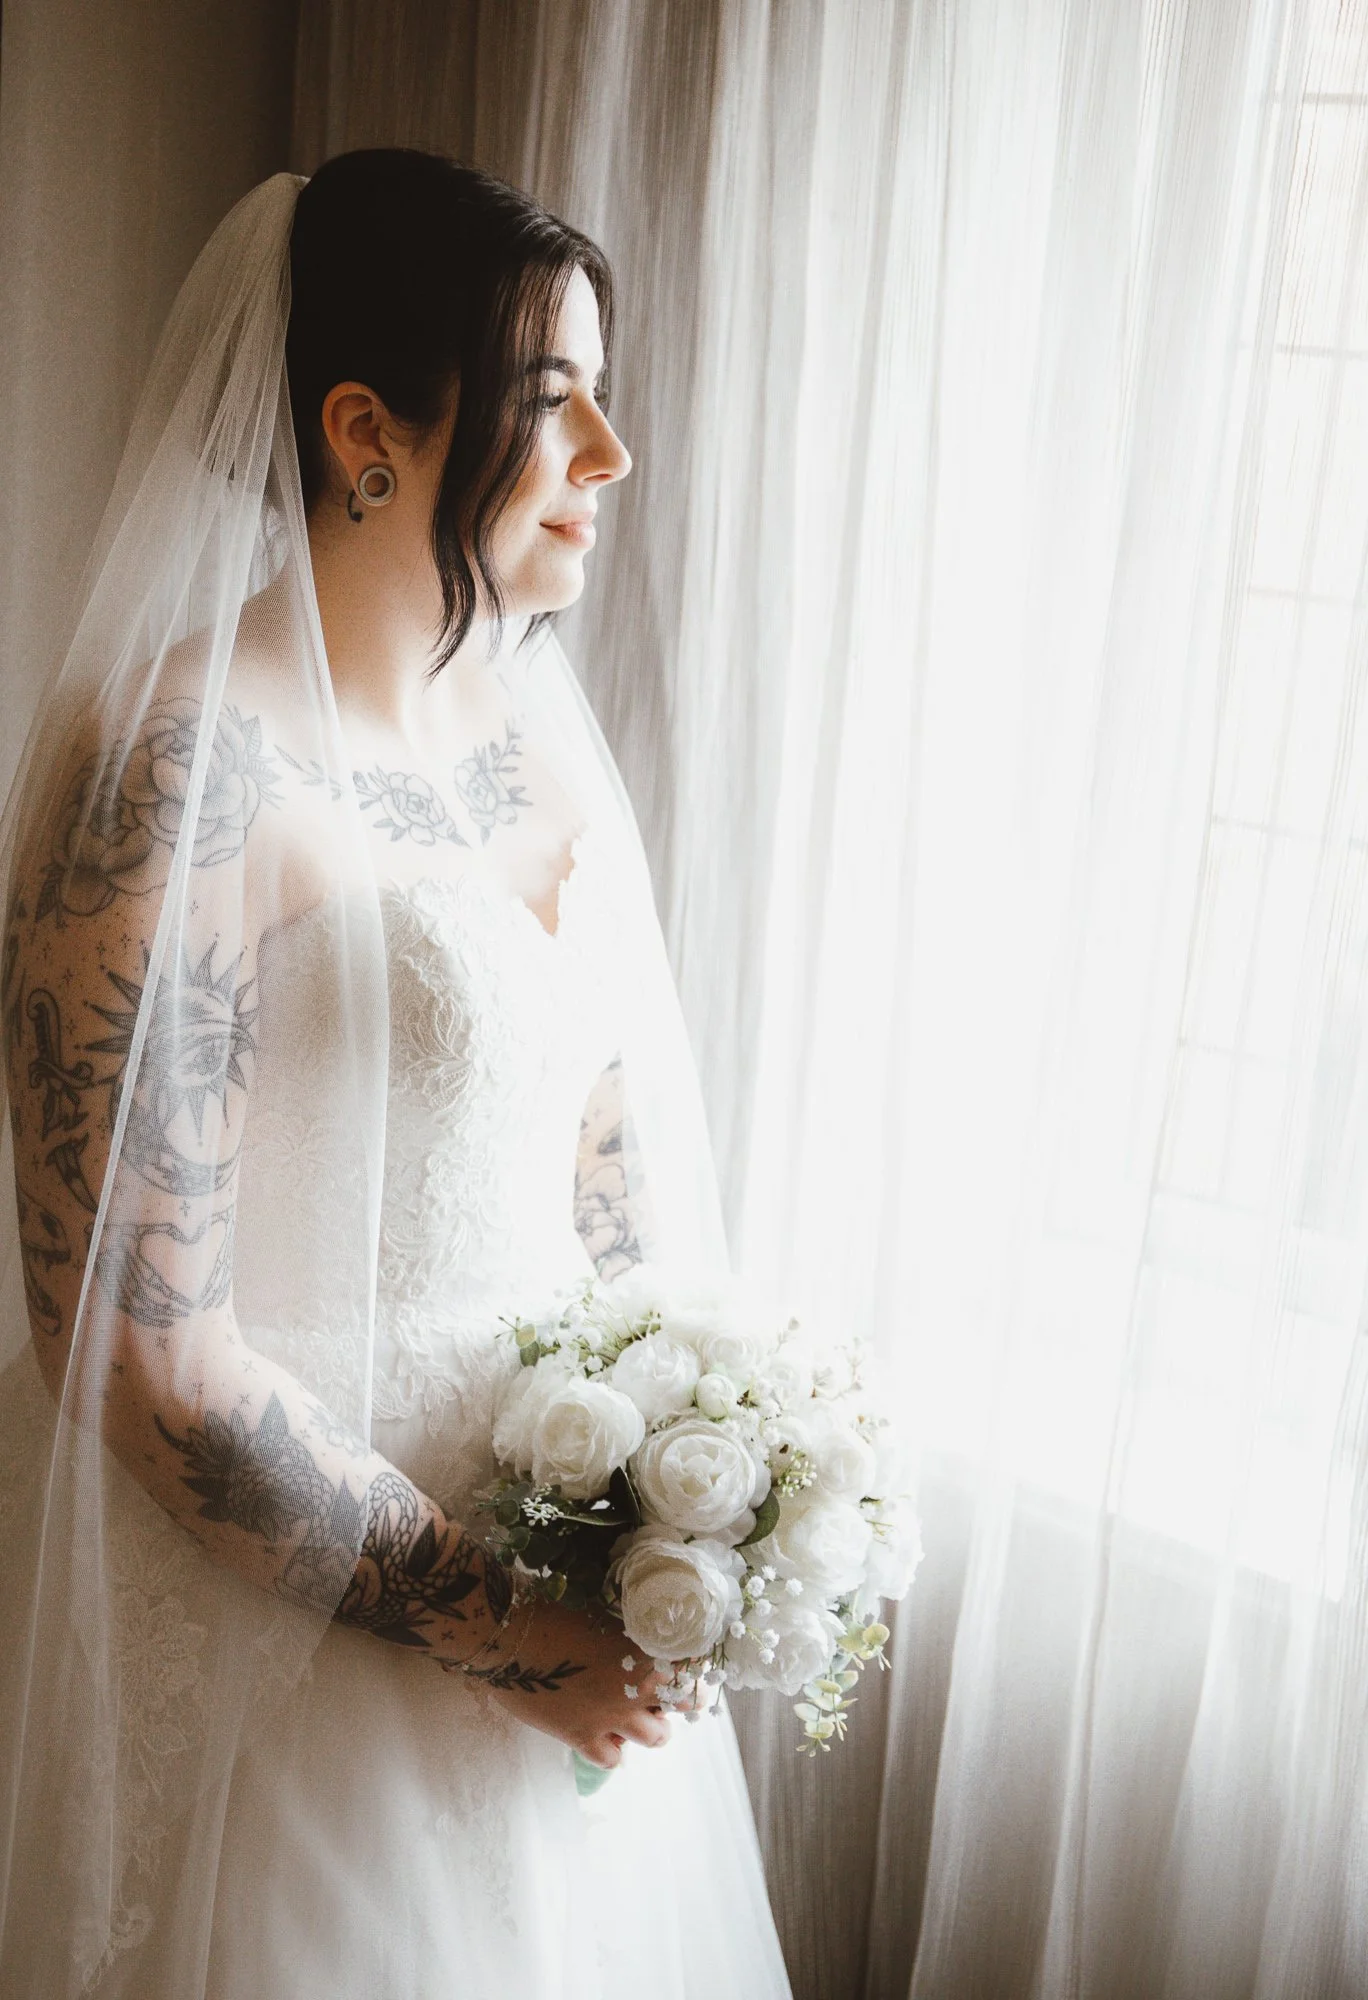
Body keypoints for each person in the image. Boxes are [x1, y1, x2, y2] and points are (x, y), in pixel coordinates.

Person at [0, 148, 792, 1999]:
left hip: (557, 1550)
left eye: (604, 392)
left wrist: (678, 1489)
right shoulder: (173, 772)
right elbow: (126, 1340)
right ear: (369, 430)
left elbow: (602, 1173)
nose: (609, 451)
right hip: (280, 1616)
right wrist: (503, 1630)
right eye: (548, 404)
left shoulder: (525, 736)